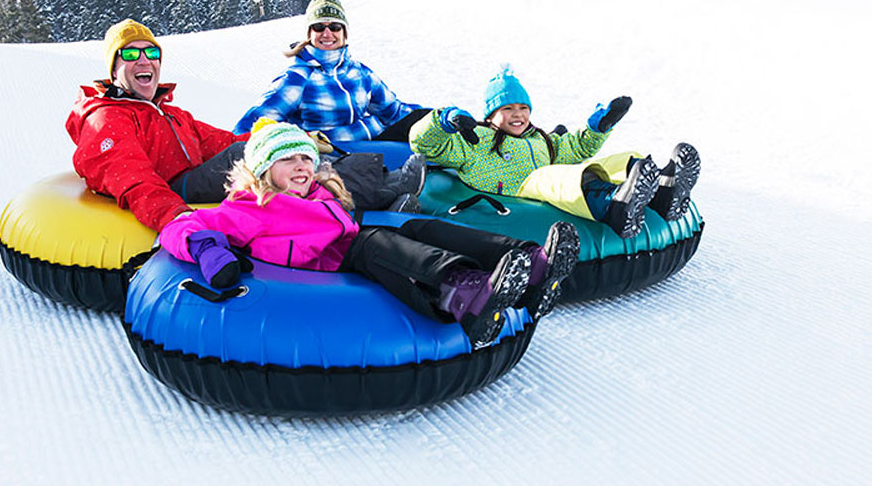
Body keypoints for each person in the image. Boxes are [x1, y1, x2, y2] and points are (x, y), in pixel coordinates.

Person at [159, 121, 581, 346]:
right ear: (261, 170)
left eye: (305, 159)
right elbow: (182, 226)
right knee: (376, 243)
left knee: (421, 227)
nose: (301, 168)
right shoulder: (248, 207)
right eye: (287, 161)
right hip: (326, 262)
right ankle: (466, 293)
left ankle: (531, 264)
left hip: (345, 244)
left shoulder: (321, 191)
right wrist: (212, 254)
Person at [65, 19, 426, 233]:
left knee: (275, 149)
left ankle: (378, 203)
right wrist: (177, 220)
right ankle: (381, 192)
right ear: (114, 66)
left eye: (151, 52)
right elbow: (132, 178)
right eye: (130, 54)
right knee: (255, 158)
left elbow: (218, 140)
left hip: (196, 175)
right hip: (179, 188)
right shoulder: (107, 118)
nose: (143, 60)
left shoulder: (167, 113)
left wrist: (283, 137)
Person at [408, 66, 701, 238]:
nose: (517, 115)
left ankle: (664, 190)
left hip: (545, 175)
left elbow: (576, 148)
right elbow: (424, 144)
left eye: (523, 108)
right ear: (491, 115)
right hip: (521, 187)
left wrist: (599, 127)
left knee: (615, 162)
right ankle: (615, 208)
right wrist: (442, 121)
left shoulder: (541, 139)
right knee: (557, 178)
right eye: (507, 108)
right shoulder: (475, 140)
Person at [234, 0, 429, 143]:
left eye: (335, 27)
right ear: (309, 34)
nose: (327, 33)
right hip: (328, 162)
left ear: (344, 32)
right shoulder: (298, 78)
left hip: (371, 150)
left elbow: (394, 112)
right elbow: (251, 126)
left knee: (425, 127)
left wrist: (433, 117)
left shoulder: (359, 73)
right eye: (319, 27)